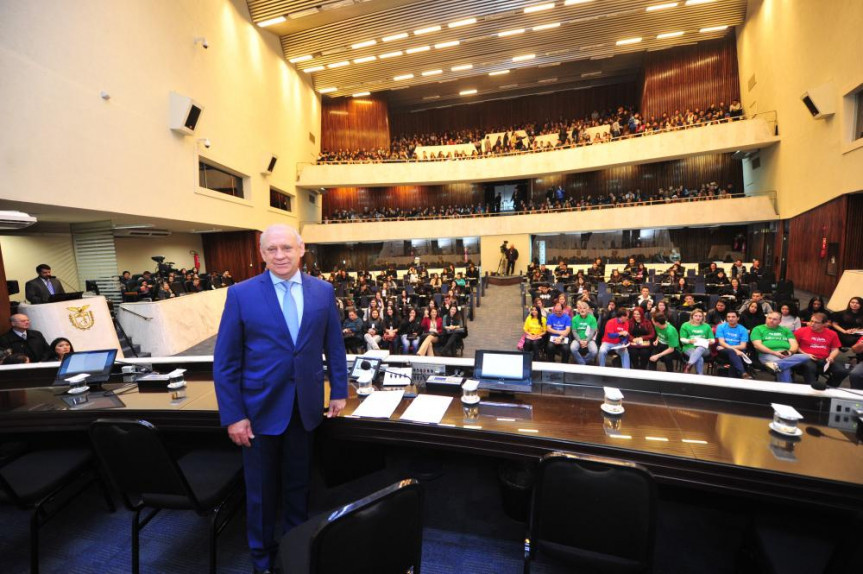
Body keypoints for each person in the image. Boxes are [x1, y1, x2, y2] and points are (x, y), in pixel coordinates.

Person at [212, 224, 347, 574]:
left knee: (299, 489)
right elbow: (226, 362)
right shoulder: (241, 294)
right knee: (259, 495)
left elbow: (334, 345)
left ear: (301, 249)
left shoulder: (322, 291)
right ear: (261, 254)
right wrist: (233, 415)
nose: (280, 255)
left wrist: (340, 391)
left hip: (305, 409)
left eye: (286, 247)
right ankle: (261, 560)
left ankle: (295, 554)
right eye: (271, 249)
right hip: (256, 414)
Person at [750, 311, 810, 382]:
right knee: (784, 368)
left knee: (806, 356)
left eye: (775, 319)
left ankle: (776, 365)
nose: (771, 320)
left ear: (780, 321)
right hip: (767, 354)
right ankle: (786, 389)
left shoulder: (785, 330)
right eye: (769, 318)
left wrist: (790, 352)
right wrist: (775, 353)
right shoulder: (758, 329)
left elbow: (794, 344)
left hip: (786, 354)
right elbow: (757, 345)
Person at [793, 312, 849, 387]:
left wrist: (831, 357)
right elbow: (794, 345)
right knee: (810, 367)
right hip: (807, 358)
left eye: (816, 322)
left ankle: (829, 387)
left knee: (842, 371)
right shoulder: (801, 331)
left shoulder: (832, 333)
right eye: (811, 321)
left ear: (824, 324)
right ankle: (811, 390)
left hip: (824, 359)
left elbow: (835, 349)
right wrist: (805, 354)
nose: (812, 324)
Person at [715, 310, 751, 379]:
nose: (730, 319)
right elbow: (721, 342)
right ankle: (743, 372)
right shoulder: (721, 327)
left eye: (733, 317)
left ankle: (732, 381)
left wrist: (729, 348)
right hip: (723, 352)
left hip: (733, 350)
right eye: (728, 317)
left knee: (733, 359)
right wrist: (735, 350)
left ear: (738, 318)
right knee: (732, 352)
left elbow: (743, 346)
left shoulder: (743, 329)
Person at [679, 309, 715, 374]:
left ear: (703, 317)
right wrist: (689, 341)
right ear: (692, 316)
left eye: (700, 316)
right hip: (689, 347)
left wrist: (710, 341)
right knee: (699, 358)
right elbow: (682, 339)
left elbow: (712, 340)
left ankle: (688, 365)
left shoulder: (707, 326)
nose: (698, 318)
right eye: (696, 316)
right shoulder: (685, 325)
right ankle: (700, 375)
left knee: (701, 347)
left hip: (704, 349)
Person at [569, 301, 598, 365]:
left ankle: (582, 361)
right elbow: (574, 331)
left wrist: (586, 341)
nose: (582, 310)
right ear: (578, 310)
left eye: (584, 308)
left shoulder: (592, 319)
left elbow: (592, 331)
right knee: (573, 348)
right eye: (581, 308)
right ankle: (582, 363)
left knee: (594, 351)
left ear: (588, 310)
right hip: (578, 339)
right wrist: (580, 341)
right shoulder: (574, 319)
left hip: (589, 339)